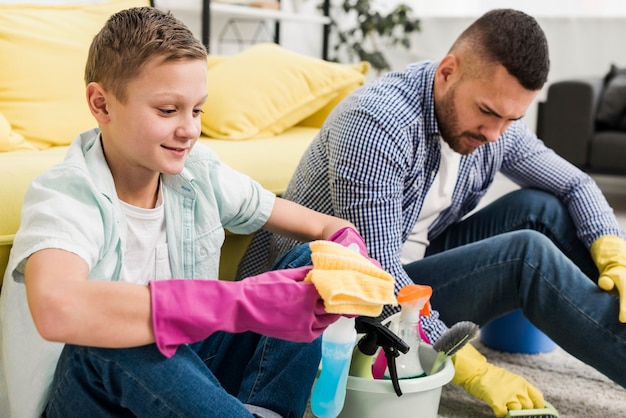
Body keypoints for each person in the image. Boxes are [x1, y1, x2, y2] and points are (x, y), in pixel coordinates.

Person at [0, 7, 392, 418]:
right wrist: (241, 302)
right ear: (102, 104)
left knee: (314, 262)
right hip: (89, 397)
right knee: (108, 338)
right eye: (168, 110)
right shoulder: (65, 194)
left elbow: (323, 226)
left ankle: (265, 411)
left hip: (177, 383)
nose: (189, 129)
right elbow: (57, 308)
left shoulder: (198, 171)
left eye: (197, 110)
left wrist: (346, 247)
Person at [239, 8, 626, 417]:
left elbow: (574, 183)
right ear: (447, 72)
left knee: (542, 207)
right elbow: (379, 280)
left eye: (512, 119)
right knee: (526, 255)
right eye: (489, 113)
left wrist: (613, 250)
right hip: (338, 307)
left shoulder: (495, 119)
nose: (495, 133)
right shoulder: (377, 125)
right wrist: (470, 366)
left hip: (410, 271)